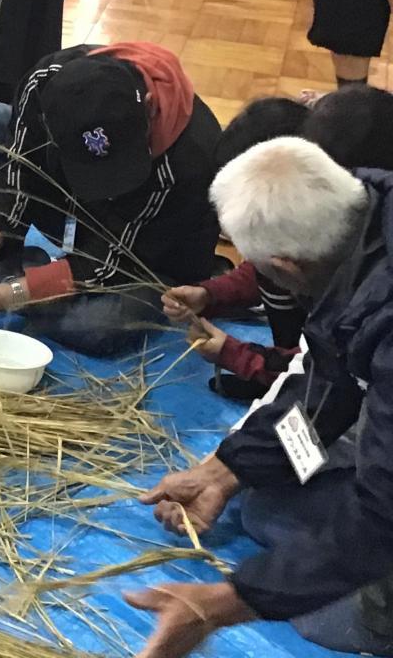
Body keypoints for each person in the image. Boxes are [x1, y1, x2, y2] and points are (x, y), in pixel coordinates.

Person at [129, 137, 393, 658]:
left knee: (330, 622)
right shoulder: (364, 212)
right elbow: (327, 385)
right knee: (266, 510)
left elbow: (386, 505)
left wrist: (225, 603)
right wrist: (225, 470)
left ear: (287, 268)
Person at [0, 43, 222, 356]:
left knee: (95, 326)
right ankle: (1, 261)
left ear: (149, 107)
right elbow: (19, 163)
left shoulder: (190, 159)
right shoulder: (45, 82)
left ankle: (18, 284)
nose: (105, 186)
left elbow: (107, 263)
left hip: (141, 255)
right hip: (75, 212)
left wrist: (7, 295)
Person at [162, 96, 311, 399]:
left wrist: (239, 357)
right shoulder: (296, 232)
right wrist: (209, 294)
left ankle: (278, 376)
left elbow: (327, 375)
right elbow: (261, 271)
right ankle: (277, 369)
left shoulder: (352, 273)